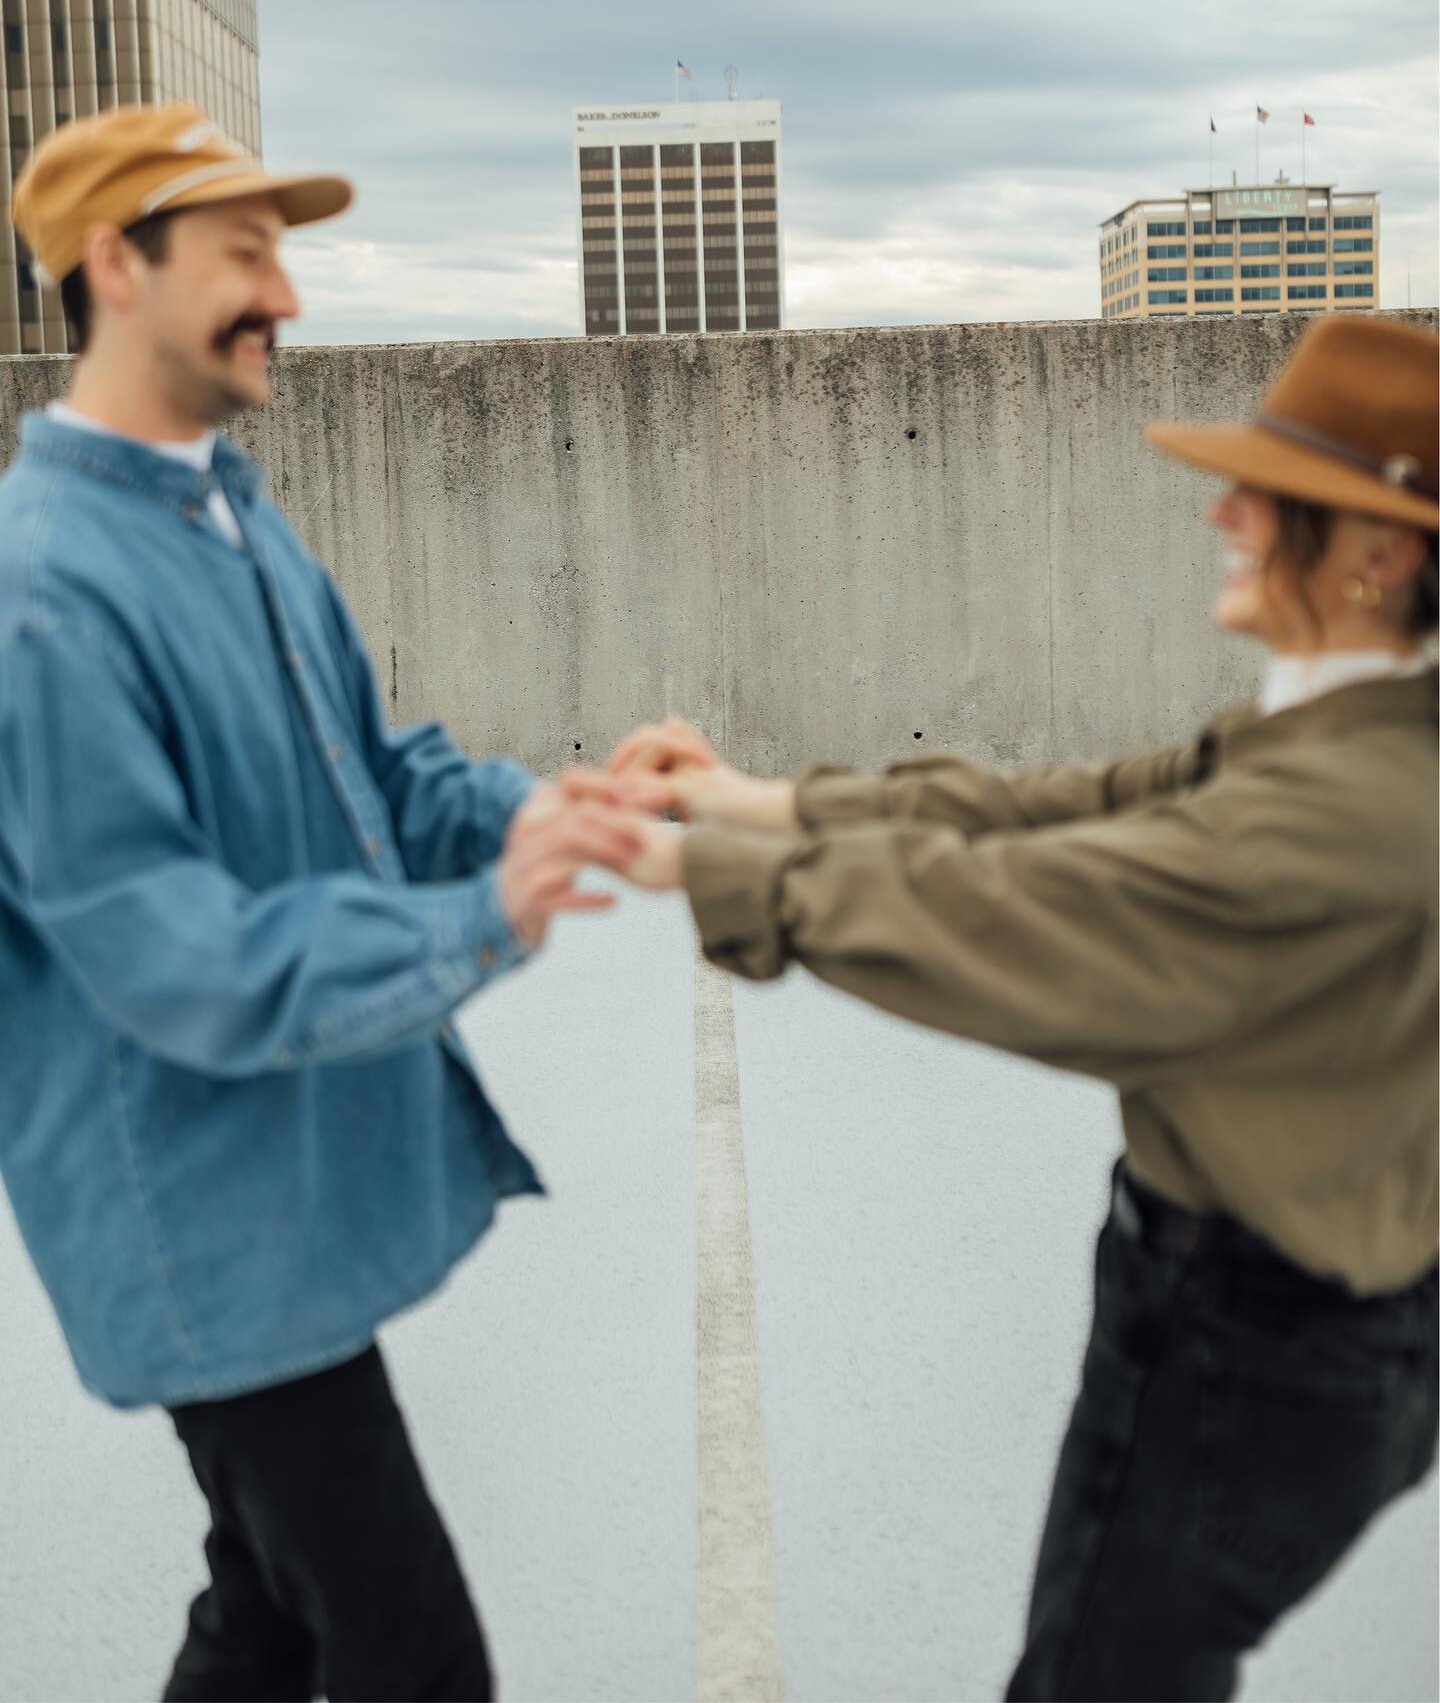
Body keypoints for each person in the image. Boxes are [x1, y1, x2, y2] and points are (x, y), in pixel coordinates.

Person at [605, 314, 1439, 1702]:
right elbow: (1077, 809)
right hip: (1284, 1328)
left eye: (1267, 492)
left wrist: (698, 863)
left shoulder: (1346, 808)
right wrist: (761, 800)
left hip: (1252, 1346)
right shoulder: (1348, 737)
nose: (1221, 511)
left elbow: (1031, 915)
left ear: (1376, 553)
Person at [0, 102, 645, 1703]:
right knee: (416, 1657)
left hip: (265, 1196)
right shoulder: (43, 596)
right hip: (199, 1228)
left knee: (267, 1613)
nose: (285, 295)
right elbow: (175, 957)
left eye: (281, 255)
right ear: (114, 266)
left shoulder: (230, 514)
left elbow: (371, 770)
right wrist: (480, 917)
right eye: (243, 254)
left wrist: (547, 808)